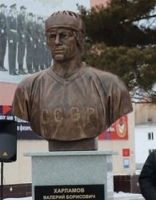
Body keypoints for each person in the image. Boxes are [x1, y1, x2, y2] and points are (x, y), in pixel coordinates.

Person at [12, 10, 133, 151]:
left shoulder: (111, 85)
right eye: (52, 36)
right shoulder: (28, 88)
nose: (57, 42)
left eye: (64, 36)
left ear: (79, 39)